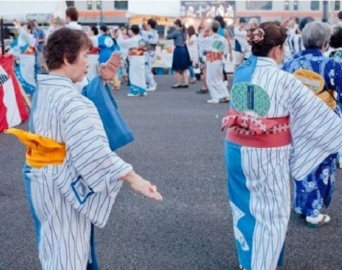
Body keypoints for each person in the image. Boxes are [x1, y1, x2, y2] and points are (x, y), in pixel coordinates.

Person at [5, 27, 162, 270]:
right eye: (85, 55)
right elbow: (93, 151)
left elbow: (80, 103)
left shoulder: (44, 88)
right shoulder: (71, 100)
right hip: (61, 182)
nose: (89, 62)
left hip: (39, 178)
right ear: (68, 58)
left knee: (54, 247)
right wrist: (133, 178)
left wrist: (101, 80)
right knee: (68, 254)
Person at [222, 21, 342, 270]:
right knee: (272, 212)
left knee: (242, 204)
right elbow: (315, 116)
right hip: (267, 152)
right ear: (277, 49)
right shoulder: (283, 80)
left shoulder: (242, 70)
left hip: (234, 148)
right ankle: (262, 264)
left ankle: (249, 260)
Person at [283, 21, 342, 227]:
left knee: (302, 161)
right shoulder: (331, 65)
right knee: (322, 164)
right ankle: (313, 211)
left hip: (298, 121)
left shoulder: (290, 65)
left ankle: (302, 205)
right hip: (324, 121)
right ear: (325, 44)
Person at [201, 21, 230, 104]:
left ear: (211, 28)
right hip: (219, 60)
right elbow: (225, 51)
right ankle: (226, 95)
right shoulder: (223, 39)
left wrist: (204, 31)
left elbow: (200, 41)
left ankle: (215, 97)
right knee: (218, 79)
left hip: (211, 60)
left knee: (210, 79)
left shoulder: (209, 39)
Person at [117, 24, 147, 97]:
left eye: (130, 30)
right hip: (141, 58)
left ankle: (135, 91)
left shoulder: (134, 39)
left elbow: (122, 43)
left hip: (135, 59)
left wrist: (120, 35)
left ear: (132, 31)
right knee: (141, 75)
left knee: (134, 75)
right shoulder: (140, 38)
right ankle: (142, 90)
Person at [166, 19, 190, 88]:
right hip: (184, 49)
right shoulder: (184, 31)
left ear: (177, 25)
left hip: (178, 50)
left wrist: (167, 30)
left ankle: (178, 83)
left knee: (176, 68)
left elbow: (168, 37)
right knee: (184, 68)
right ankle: (186, 83)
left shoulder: (176, 32)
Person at [140, 18, 159, 91]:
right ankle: (149, 83)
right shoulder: (153, 32)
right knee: (147, 69)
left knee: (147, 69)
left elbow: (153, 41)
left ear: (149, 25)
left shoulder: (150, 33)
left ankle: (152, 84)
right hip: (150, 52)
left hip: (149, 52)